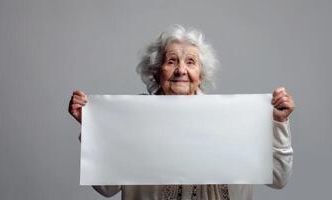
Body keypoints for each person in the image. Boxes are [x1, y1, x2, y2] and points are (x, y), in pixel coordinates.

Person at [68, 25, 295, 200]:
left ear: (201, 75)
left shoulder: (234, 118)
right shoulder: (130, 118)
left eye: (190, 62)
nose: (181, 71)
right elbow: (107, 188)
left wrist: (278, 123)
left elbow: (278, 178)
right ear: (156, 72)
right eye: (171, 61)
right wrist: (92, 128)